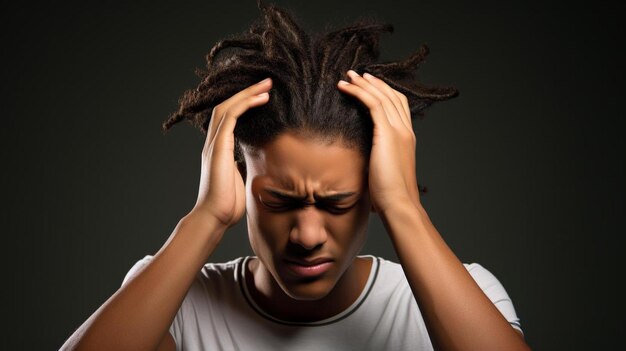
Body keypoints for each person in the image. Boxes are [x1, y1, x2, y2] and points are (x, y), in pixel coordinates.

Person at [61, 1, 530, 350]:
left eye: (337, 203)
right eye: (280, 202)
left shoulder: (463, 296)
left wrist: (404, 208)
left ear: (372, 190)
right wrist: (206, 217)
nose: (307, 235)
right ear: (239, 178)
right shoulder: (175, 303)